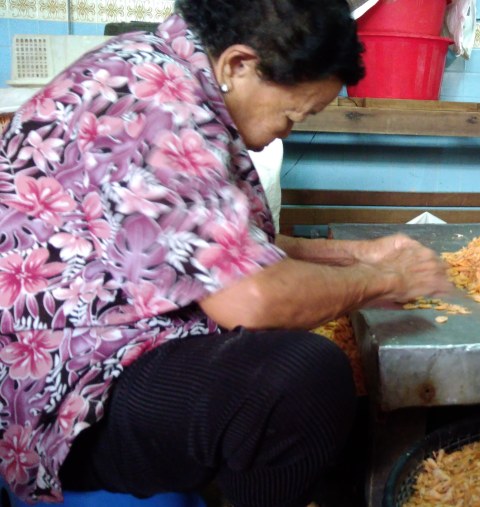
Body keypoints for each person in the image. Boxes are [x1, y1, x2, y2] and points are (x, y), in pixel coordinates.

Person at [0, 1, 452, 506]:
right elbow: (251, 300)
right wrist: (388, 279)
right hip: (63, 391)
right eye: (295, 112)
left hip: (97, 339)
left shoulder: (161, 71)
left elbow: (219, 244)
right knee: (301, 380)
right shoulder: (158, 103)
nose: (290, 129)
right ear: (239, 65)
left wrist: (355, 256)